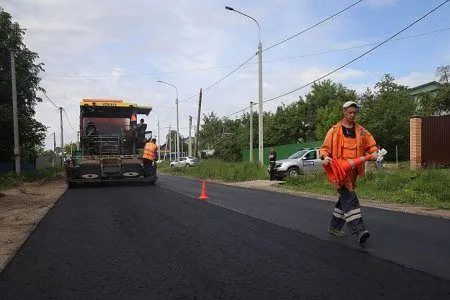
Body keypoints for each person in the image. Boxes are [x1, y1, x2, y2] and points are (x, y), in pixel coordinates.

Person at [319, 101, 378, 245]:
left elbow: (372, 145)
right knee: (351, 199)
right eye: (350, 112)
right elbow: (324, 148)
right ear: (344, 112)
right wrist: (325, 157)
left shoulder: (361, 131)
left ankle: (334, 226)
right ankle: (359, 230)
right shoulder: (334, 130)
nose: (352, 115)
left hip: (353, 173)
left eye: (354, 113)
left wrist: (374, 153)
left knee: (343, 200)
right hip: (340, 172)